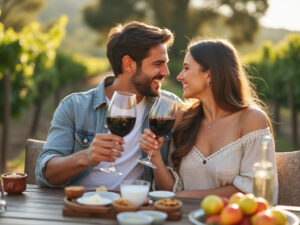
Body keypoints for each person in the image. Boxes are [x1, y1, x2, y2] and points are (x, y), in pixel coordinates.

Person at [35, 21, 181, 190]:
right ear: (128, 64)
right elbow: (45, 174)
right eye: (158, 64)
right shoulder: (74, 107)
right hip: (79, 206)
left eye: (166, 63)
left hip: (134, 210)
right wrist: (86, 157)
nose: (166, 72)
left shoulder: (169, 108)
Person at [140, 39, 278, 202]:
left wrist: (181, 196)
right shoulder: (183, 118)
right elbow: (170, 189)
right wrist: (155, 155)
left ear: (209, 74)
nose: (179, 76)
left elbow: (255, 189)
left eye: (186, 68)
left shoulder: (251, 119)